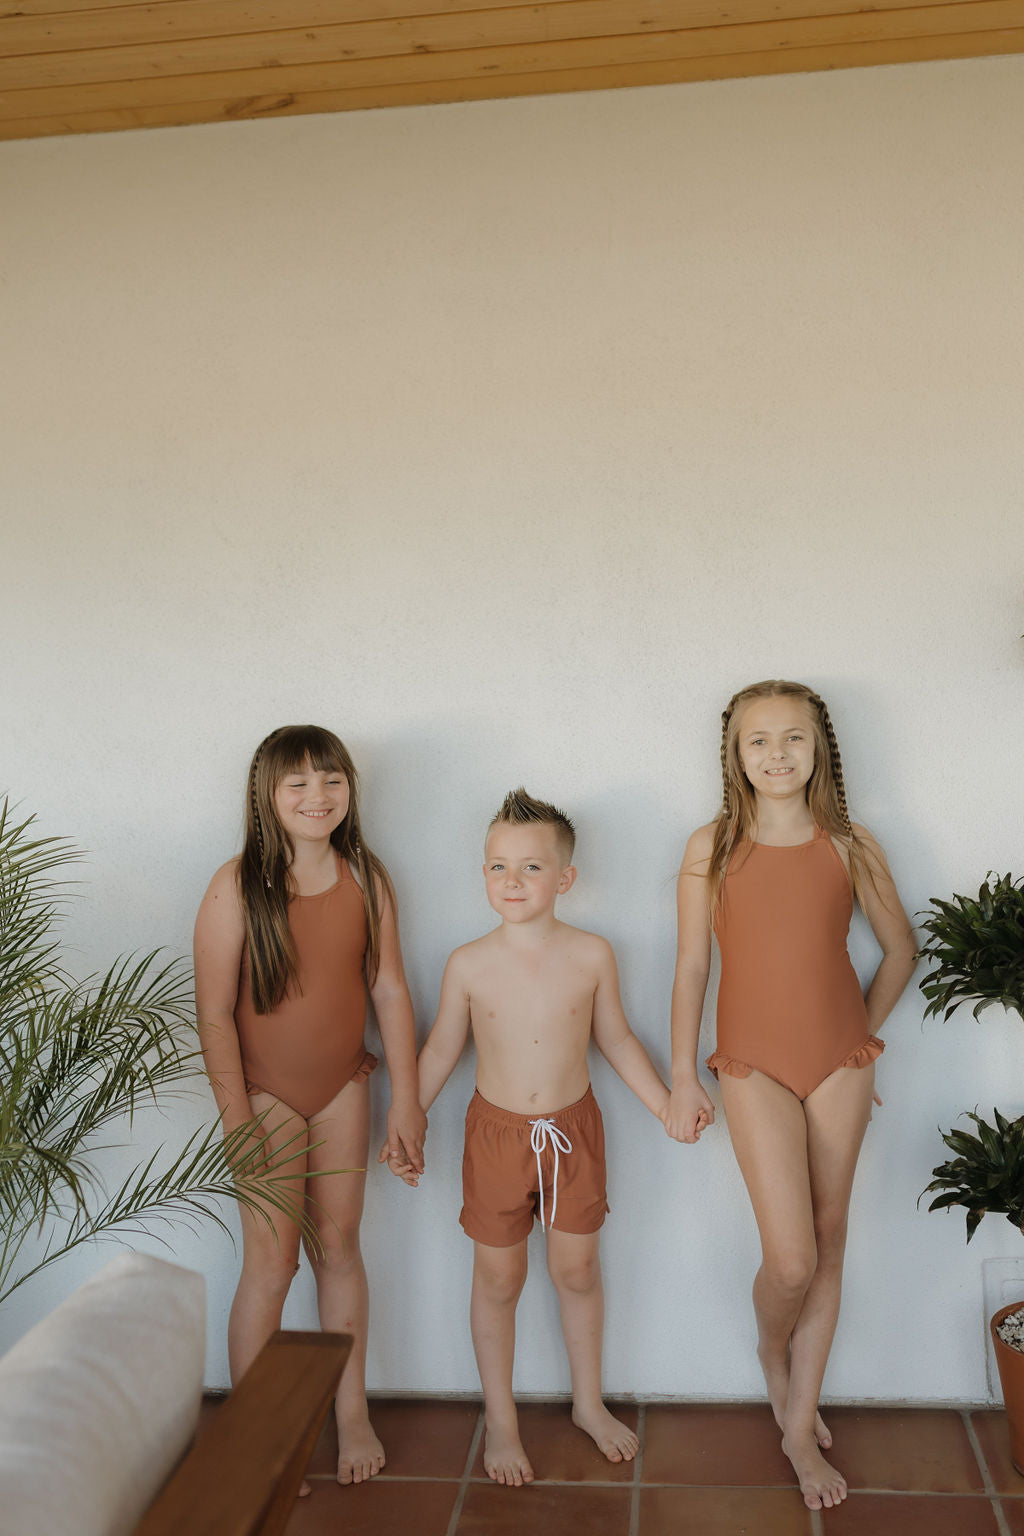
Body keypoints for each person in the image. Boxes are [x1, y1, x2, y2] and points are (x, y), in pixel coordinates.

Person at [666, 680, 916, 1511]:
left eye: (794, 739)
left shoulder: (851, 844)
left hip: (840, 1062)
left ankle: (798, 1426)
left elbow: (899, 950)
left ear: (822, 749)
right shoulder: (712, 846)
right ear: (734, 755)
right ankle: (774, 1356)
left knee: (832, 1241)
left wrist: (861, 1040)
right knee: (793, 1258)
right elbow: (693, 969)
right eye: (758, 741)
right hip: (750, 1065)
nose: (777, 755)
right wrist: (679, 1074)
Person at [388, 788, 681, 1486]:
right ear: (482, 873)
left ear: (565, 878)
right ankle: (502, 1419)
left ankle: (587, 1402)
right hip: (495, 1137)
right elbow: (437, 1054)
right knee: (499, 1277)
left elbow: (615, 1037)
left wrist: (666, 1104)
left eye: (530, 868)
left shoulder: (592, 954)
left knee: (576, 1270)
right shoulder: (467, 963)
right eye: (497, 867)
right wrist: (407, 1118)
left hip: (573, 1133)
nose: (512, 881)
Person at [194, 725, 425, 1486]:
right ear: (266, 794)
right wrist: (236, 1125)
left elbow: (389, 989)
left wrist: (408, 1101)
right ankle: (257, 1429)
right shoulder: (237, 885)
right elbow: (215, 1012)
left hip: (342, 1088)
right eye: (297, 783)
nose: (316, 796)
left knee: (339, 1247)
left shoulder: (368, 876)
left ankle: (349, 1413)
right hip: (263, 1099)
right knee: (270, 1260)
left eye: (331, 780)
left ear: (349, 789)